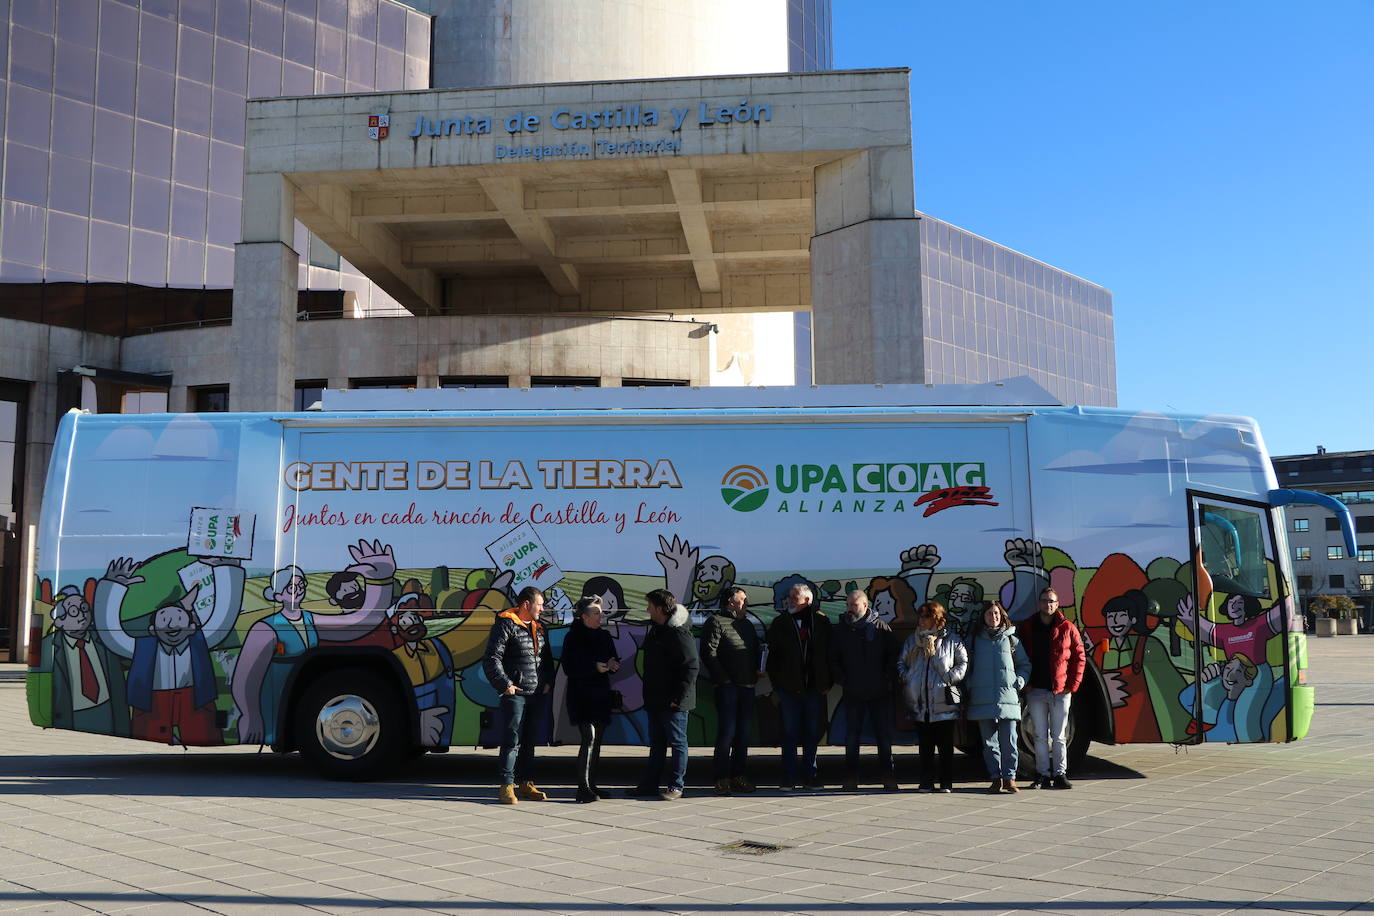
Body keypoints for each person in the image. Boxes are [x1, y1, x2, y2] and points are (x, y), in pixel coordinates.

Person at [483, 586, 555, 804]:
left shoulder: (540, 628)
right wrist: (505, 685)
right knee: (511, 739)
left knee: (529, 740)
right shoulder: (506, 624)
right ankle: (506, 785)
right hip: (516, 693)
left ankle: (525, 783)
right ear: (527, 604)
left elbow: (547, 658)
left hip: (536, 693)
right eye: (540, 604)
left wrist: (548, 682)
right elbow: (491, 658)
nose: (542, 609)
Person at [633, 589, 700, 800]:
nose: (647, 609)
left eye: (650, 606)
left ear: (660, 609)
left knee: (678, 743)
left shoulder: (678, 633)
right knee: (657, 744)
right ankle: (649, 785)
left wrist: (678, 699)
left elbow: (691, 667)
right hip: (655, 699)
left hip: (673, 702)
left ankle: (676, 786)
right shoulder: (656, 630)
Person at [829, 589, 899, 791]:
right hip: (853, 692)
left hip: (879, 692)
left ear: (865, 606)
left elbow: (893, 655)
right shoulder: (841, 630)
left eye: (854, 605)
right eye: (848, 604)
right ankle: (851, 777)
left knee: (883, 737)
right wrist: (842, 679)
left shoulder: (880, 628)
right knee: (852, 737)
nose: (850, 608)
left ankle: (888, 776)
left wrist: (886, 678)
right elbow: (833, 658)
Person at [766, 582, 834, 790]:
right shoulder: (780, 623)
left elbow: (831, 655)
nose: (789, 601)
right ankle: (788, 777)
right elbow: (771, 657)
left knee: (812, 733)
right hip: (789, 690)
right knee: (789, 733)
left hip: (815, 688)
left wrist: (827, 683)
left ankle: (810, 776)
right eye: (788, 597)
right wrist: (778, 685)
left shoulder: (821, 622)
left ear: (807, 600)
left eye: (794, 598)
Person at [1016, 587, 1086, 789]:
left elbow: (1079, 657)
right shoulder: (1028, 627)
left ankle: (1060, 774)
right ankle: (1042, 775)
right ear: (1039, 603)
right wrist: (1026, 685)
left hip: (1060, 691)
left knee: (1059, 736)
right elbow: (1019, 656)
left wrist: (1073, 685)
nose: (1048, 604)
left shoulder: (1067, 627)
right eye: (1045, 600)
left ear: (1057, 604)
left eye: (1052, 601)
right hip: (1036, 690)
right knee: (1039, 735)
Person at [898, 600, 967, 792]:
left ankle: (946, 782)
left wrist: (949, 677)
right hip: (920, 701)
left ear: (937, 619)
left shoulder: (952, 639)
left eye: (926, 616)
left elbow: (963, 663)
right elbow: (901, 662)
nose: (921, 620)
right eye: (920, 616)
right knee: (925, 746)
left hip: (943, 699)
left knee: (946, 746)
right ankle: (926, 781)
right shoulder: (913, 640)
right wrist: (908, 677)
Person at [700, 585, 762, 795]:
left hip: (747, 686)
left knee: (743, 736)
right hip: (727, 688)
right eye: (742, 600)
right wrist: (724, 681)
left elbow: (754, 649)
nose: (746, 603)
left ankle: (738, 776)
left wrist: (757, 670)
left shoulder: (747, 625)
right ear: (730, 602)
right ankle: (721, 778)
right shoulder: (716, 622)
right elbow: (709, 653)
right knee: (727, 733)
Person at [559, 596, 620, 802]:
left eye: (601, 612)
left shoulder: (604, 635)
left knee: (598, 740)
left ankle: (592, 784)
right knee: (589, 738)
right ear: (584, 616)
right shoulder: (573, 637)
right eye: (596, 613)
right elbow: (569, 667)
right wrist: (593, 667)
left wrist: (613, 663)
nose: (600, 616)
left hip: (601, 694)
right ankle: (582, 788)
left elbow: (613, 656)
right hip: (581, 695)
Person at [966, 601, 1031, 793]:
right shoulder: (974, 640)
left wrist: (1019, 682)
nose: (992, 617)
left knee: (1010, 739)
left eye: (996, 613)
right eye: (989, 614)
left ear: (1002, 616)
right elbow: (965, 666)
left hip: (1008, 698)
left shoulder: (1012, 640)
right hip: (982, 697)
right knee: (989, 743)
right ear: (983, 617)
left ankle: (1009, 778)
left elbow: (1025, 665)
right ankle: (996, 778)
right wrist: (970, 684)